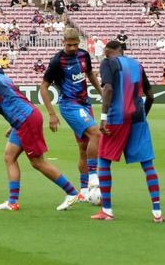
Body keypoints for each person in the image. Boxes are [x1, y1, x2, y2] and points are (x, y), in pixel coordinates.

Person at [0, 60, 80, 211]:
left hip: (25, 119)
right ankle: (12, 202)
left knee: (37, 162)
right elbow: (16, 96)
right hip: (24, 118)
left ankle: (72, 193)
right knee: (9, 157)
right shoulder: (1, 77)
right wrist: (13, 125)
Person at [91, 40, 163, 223]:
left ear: (116, 51)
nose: (105, 56)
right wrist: (142, 115)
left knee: (104, 161)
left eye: (107, 53)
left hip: (116, 118)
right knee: (148, 165)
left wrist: (104, 118)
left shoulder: (108, 63)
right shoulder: (137, 64)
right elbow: (151, 96)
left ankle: (107, 210)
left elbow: (107, 89)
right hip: (138, 118)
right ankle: (157, 213)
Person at [40, 28, 102, 203]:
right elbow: (43, 86)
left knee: (84, 148)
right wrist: (51, 114)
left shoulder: (84, 55)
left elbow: (89, 74)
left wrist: (101, 92)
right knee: (96, 133)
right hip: (69, 105)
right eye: (69, 45)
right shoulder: (57, 61)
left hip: (85, 104)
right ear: (63, 43)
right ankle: (93, 178)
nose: (73, 48)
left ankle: (83, 191)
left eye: (75, 44)